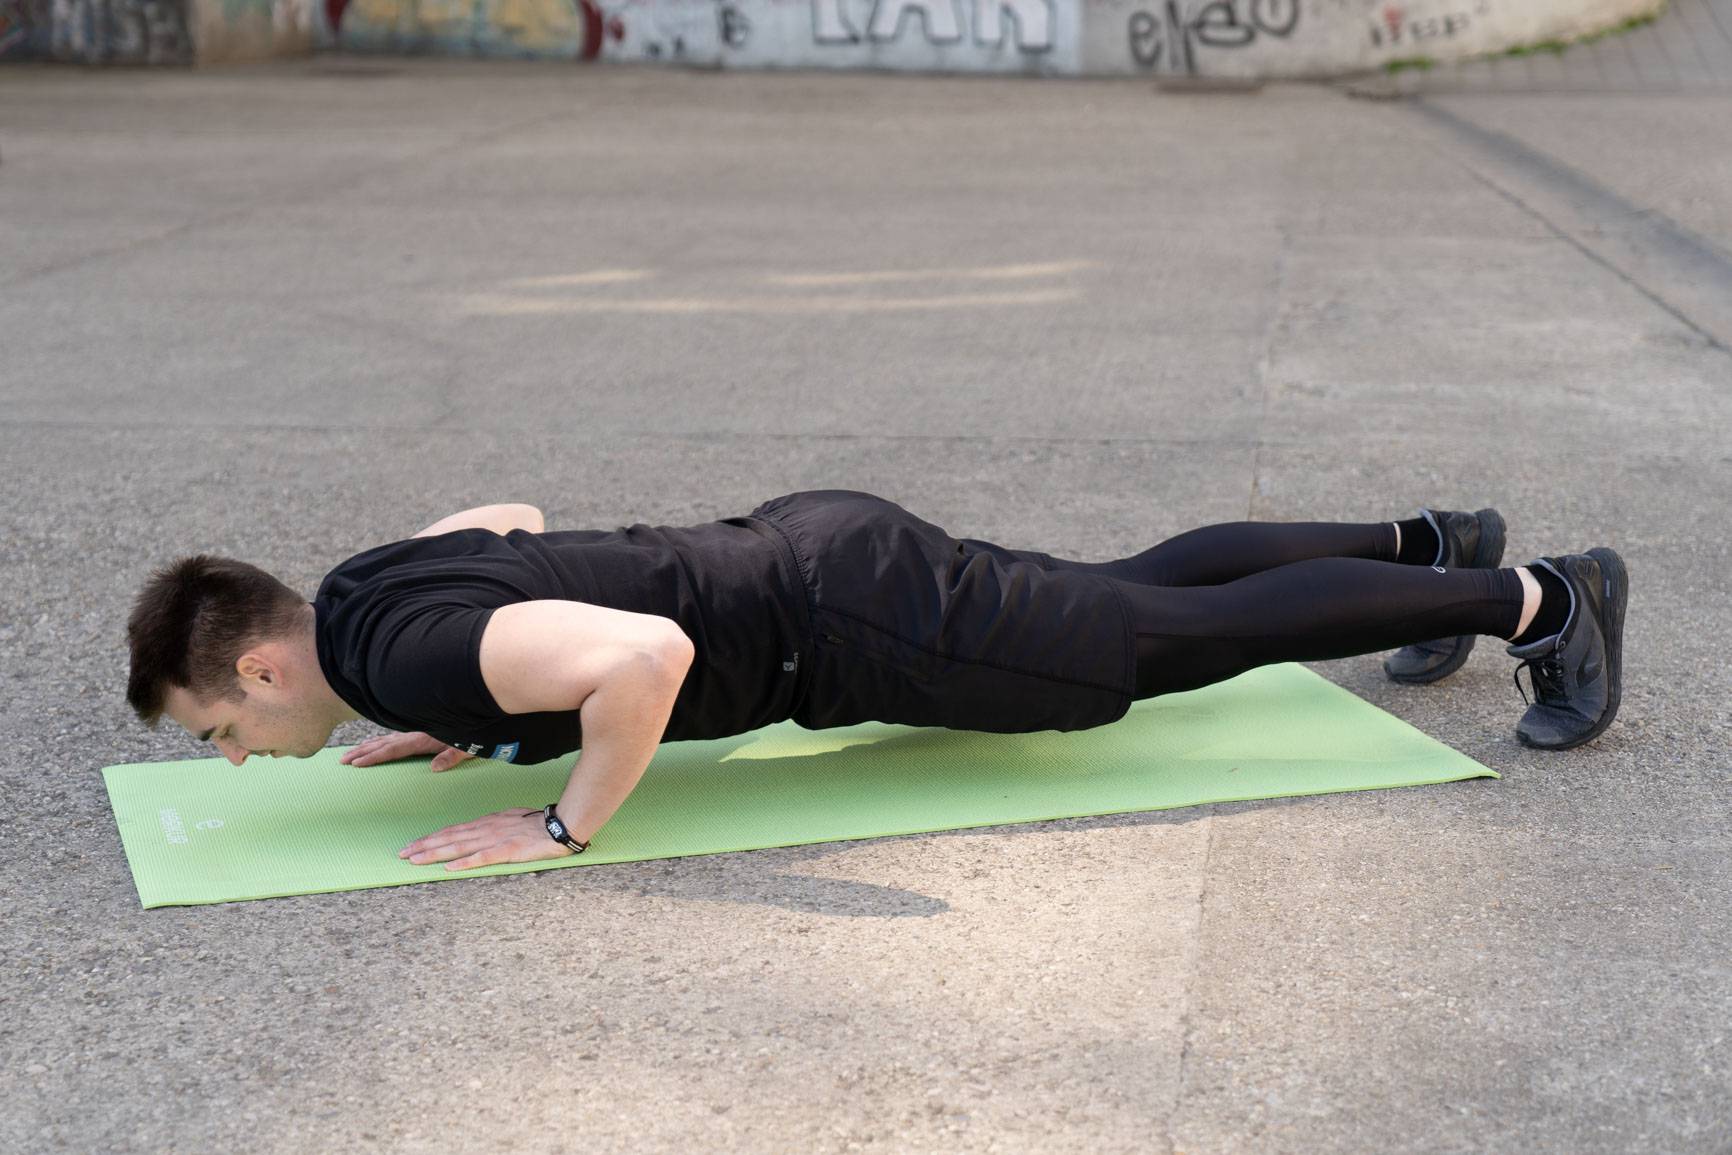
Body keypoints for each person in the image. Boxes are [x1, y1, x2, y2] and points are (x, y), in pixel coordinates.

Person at [125, 490, 1626, 874]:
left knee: (1158, 645)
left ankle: (1540, 598)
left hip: (856, 622)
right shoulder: (376, 594)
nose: (242, 756)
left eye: (222, 729)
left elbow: (645, 659)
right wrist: (478, 712)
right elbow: (506, 525)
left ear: (262, 665)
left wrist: (563, 822)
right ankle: (1436, 545)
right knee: (1133, 591)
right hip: (823, 550)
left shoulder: (403, 654)